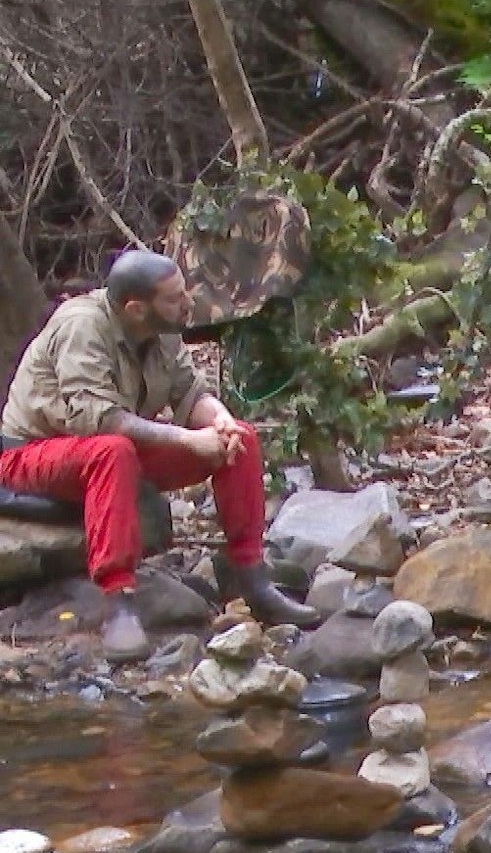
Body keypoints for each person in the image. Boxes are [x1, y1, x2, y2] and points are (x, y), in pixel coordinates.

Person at [0, 250, 321, 663]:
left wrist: (219, 422)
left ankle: (253, 582)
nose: (186, 303)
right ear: (135, 308)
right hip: (32, 454)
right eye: (173, 297)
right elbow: (96, 419)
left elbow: (189, 393)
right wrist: (188, 442)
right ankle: (119, 603)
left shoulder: (163, 329)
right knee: (111, 451)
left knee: (239, 439)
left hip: (115, 449)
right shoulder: (82, 326)